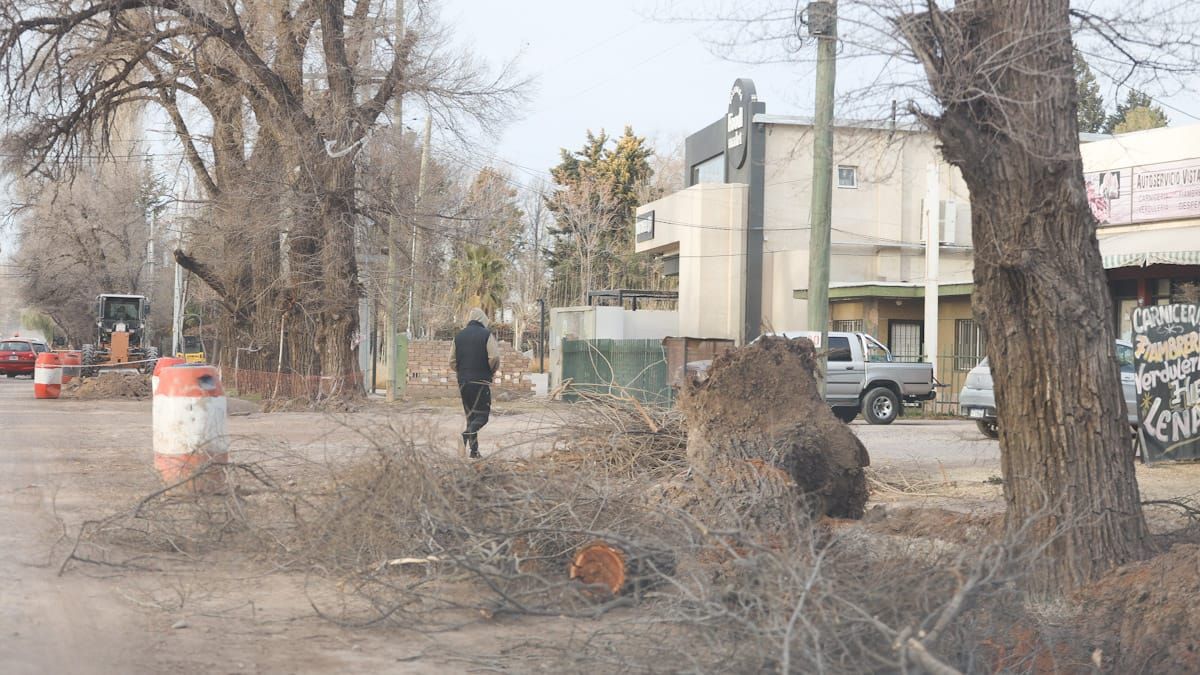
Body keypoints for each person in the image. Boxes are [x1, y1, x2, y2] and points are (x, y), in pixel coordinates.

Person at [449, 308, 500, 458]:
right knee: (482, 416)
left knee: (471, 417)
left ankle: (474, 451)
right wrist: (490, 371)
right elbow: (494, 357)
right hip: (481, 381)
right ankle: (465, 435)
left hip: (463, 381)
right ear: (483, 320)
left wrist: (462, 371)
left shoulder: (458, 337)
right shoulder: (486, 335)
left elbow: (451, 361)